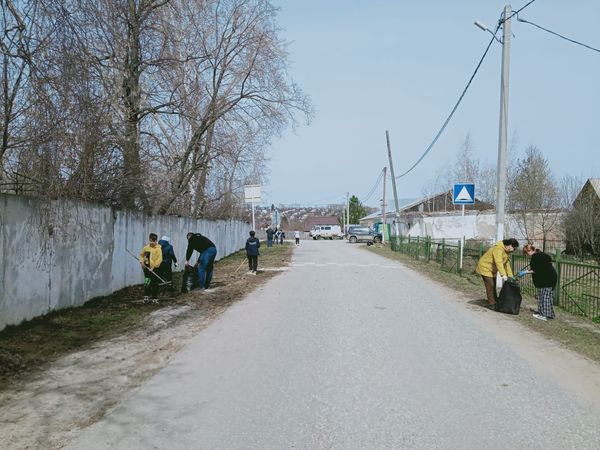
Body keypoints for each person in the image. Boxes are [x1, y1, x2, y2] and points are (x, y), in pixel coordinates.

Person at [475, 238, 519, 308]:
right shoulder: (498, 249)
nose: (514, 250)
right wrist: (503, 275)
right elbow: (499, 262)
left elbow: (506, 265)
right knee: (490, 285)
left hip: (492, 269)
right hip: (485, 267)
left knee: (493, 285)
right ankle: (491, 304)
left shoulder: (506, 252)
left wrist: (511, 276)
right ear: (510, 245)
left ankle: (495, 301)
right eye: (514, 248)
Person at [522, 244, 557, 321]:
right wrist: (527, 271)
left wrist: (526, 272)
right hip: (548, 278)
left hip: (546, 279)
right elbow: (536, 267)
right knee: (545, 296)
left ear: (529, 251)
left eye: (526, 253)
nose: (526, 255)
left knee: (545, 297)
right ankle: (547, 313)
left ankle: (545, 315)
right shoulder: (539, 255)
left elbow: (536, 269)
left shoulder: (536, 257)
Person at [139, 233, 163, 303]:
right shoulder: (146, 248)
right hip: (147, 269)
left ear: (156, 240)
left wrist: (153, 267)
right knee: (147, 282)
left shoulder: (158, 249)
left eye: (154, 241)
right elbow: (141, 255)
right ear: (149, 240)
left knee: (154, 283)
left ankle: (154, 297)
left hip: (155, 269)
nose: (152, 242)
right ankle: (146, 296)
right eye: (151, 241)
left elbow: (159, 259)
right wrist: (142, 263)